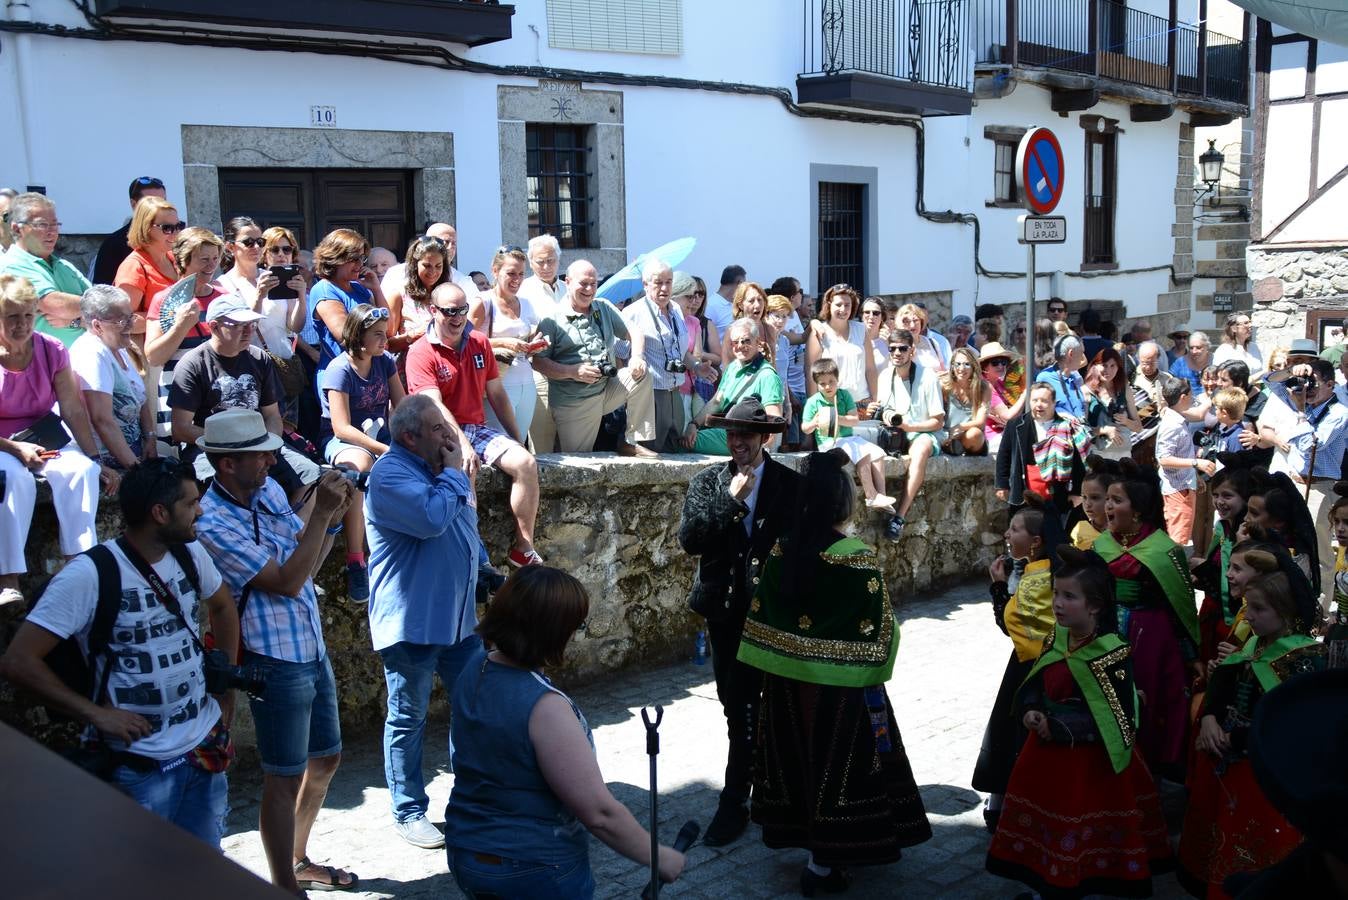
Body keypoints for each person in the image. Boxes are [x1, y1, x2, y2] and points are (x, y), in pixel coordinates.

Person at [0, 457, 240, 846]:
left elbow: (223, 607)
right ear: (160, 513)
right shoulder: (89, 575)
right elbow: (18, 661)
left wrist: (224, 684)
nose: (201, 509)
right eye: (191, 503)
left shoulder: (188, 553)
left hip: (201, 750)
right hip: (137, 766)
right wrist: (97, 715)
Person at [736, 450, 931, 893]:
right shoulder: (856, 559)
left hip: (787, 686)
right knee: (836, 767)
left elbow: (762, 613)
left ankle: (809, 845)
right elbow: (882, 630)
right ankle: (826, 862)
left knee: (798, 758)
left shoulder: (783, 549)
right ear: (844, 504)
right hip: (841, 694)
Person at [193, 409, 360, 894]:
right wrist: (325, 513)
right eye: (259, 453)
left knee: (325, 760)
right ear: (227, 464)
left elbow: (303, 568)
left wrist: (327, 524)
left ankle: (298, 858)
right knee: (283, 778)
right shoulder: (212, 523)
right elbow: (286, 582)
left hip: (309, 643)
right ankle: (285, 885)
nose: (271, 459)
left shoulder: (265, 491)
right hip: (271, 657)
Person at [442, 565, 686, 897]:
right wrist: (659, 856)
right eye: (575, 625)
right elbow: (599, 814)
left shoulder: (475, 667)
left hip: (467, 852)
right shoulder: (545, 708)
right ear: (553, 632)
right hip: (532, 869)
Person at [985, 547, 1171, 898]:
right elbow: (1035, 684)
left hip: (1089, 767)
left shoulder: (1111, 652)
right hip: (1043, 759)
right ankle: (1046, 886)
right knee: (1047, 830)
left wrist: (1059, 726)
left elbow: (1118, 715)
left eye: (1069, 596)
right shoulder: (1056, 639)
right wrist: (1030, 710)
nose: (1057, 603)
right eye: (1056, 593)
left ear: (1095, 606)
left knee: (1079, 827)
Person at [677, 396, 800, 847]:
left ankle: (749, 794)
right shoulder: (710, 481)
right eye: (731, 435)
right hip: (726, 612)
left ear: (763, 438)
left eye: (746, 435)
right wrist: (731, 503)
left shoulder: (789, 484)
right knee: (736, 703)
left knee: (773, 702)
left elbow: (804, 545)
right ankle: (738, 798)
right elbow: (690, 540)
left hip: (775, 613)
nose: (737, 443)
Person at [364, 395, 485, 849]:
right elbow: (433, 519)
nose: (449, 435)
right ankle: (409, 811)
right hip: (412, 623)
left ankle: (470, 802)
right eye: (438, 429)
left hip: (458, 623)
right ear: (410, 437)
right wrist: (456, 476)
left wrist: (483, 565)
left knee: (473, 708)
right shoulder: (390, 474)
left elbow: (462, 526)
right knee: (408, 718)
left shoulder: (440, 472)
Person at [1178, 564, 1326, 898]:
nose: (1250, 617)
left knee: (1253, 841)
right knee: (1220, 831)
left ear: (1286, 612)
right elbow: (1222, 685)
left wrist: (1235, 738)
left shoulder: (1302, 658)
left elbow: (1291, 727)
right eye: (1248, 608)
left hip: (1260, 771)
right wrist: (1210, 719)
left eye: (1258, 609)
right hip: (1226, 762)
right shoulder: (1253, 646)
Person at [0, 274, 117, 611]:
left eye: (26, 315)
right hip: (3, 446)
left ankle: (79, 569)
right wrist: (15, 449)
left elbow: (72, 409)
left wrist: (95, 458)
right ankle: (8, 579)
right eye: (11, 317)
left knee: (80, 471)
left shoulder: (51, 349)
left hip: (42, 437)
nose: (21, 324)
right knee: (14, 478)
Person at [406, 282, 543, 568]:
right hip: (436, 431)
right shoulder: (420, 352)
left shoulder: (479, 342)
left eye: (463, 310)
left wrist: (516, 437)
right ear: (433, 311)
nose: (457, 317)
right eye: (450, 311)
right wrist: (463, 446)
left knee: (526, 463)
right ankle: (474, 551)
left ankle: (524, 548)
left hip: (475, 427)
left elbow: (497, 394)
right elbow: (434, 408)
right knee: (465, 468)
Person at [1093, 459, 1199, 779]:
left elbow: (1180, 604)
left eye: (1116, 500)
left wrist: (1189, 654)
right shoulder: (1100, 545)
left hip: (1151, 641)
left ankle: (1143, 774)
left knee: (1149, 707)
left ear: (1137, 509)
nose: (1107, 506)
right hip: (1106, 636)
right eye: (1107, 499)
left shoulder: (1164, 550)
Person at [168, 293, 320, 502]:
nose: (250, 331)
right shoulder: (193, 364)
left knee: (311, 475)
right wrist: (232, 445)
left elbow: (272, 415)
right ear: (214, 327)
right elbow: (181, 428)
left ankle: (289, 532)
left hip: (258, 443)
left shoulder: (259, 358)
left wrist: (269, 444)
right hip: (210, 447)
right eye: (240, 325)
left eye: (252, 323)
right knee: (229, 479)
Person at [972, 497, 1063, 832]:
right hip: (1036, 664)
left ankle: (1005, 807)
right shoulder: (1039, 570)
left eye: (1015, 529)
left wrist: (997, 587)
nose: (1007, 534)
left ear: (1036, 542)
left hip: (1031, 668)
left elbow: (1009, 624)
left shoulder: (1041, 579)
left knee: (1013, 733)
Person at [320, 303, 405, 603]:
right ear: (359, 336)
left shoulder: (385, 362)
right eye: (378, 335)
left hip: (380, 435)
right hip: (342, 441)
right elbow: (341, 427)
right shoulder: (340, 369)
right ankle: (356, 559)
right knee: (360, 466)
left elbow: (402, 406)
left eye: (385, 334)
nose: (385, 340)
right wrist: (386, 449)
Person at [531, 260, 656, 457]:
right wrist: (572, 371)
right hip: (574, 402)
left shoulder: (603, 306)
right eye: (583, 284)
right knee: (578, 461)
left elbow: (635, 331)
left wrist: (637, 357)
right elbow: (537, 361)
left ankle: (630, 441)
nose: (589, 289)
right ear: (568, 282)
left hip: (607, 388)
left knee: (641, 374)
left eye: (593, 284)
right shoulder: (551, 318)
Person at [1265, 357, 1347, 616]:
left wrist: (1300, 413)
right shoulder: (1304, 403)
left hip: (1321, 487)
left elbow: (1313, 444)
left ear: (1331, 385)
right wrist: (1293, 373)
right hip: (1295, 482)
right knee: (1294, 545)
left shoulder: (1339, 413)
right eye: (1306, 383)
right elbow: (1272, 383)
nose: (1308, 389)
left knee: (1318, 550)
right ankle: (1296, 602)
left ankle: (1319, 611)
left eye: (1314, 384)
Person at [144, 227, 227, 445]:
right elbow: (154, 356)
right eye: (203, 259)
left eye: (215, 258)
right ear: (183, 260)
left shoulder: (225, 298)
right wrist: (181, 326)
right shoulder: (163, 299)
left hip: (218, 396)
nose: (211, 265)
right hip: (179, 394)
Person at [216, 218, 307, 410]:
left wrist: (301, 297)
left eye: (260, 242)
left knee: (288, 433)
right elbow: (242, 330)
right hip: (249, 369)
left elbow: (294, 326)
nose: (256, 247)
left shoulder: (272, 277)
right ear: (231, 247)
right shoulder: (224, 285)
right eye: (249, 242)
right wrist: (258, 297)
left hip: (282, 366)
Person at [868, 329, 946, 540]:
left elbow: (938, 421)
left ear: (912, 351)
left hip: (923, 432)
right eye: (892, 348)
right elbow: (884, 412)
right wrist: (875, 412)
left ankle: (899, 517)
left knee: (920, 450)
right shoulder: (885, 376)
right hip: (895, 433)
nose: (897, 353)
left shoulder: (927, 375)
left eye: (903, 348)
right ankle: (879, 501)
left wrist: (911, 427)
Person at [69, 285, 155, 470]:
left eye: (130, 316)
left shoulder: (117, 346)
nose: (131, 324)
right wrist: (136, 470)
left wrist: (150, 437)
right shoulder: (91, 354)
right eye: (121, 320)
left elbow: (141, 398)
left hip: (134, 448)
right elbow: (102, 420)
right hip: (110, 458)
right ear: (97, 325)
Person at [623, 258, 700, 452]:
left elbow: (681, 351)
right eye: (658, 282)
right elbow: (620, 354)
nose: (665, 288)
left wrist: (698, 366)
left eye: (669, 282)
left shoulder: (676, 311)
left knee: (674, 449)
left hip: (675, 392)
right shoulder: (633, 312)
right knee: (650, 451)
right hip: (651, 393)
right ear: (645, 284)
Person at [801, 358, 895, 512]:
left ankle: (882, 496)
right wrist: (815, 422)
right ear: (816, 384)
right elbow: (805, 428)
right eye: (822, 383)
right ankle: (871, 495)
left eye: (831, 382)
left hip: (849, 438)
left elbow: (854, 420)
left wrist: (837, 417)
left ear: (837, 380)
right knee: (863, 455)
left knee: (877, 453)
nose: (828, 386)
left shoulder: (844, 396)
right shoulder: (813, 402)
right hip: (830, 442)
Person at [0, 192, 91, 347]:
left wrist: (77, 320)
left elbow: (105, 304)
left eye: (55, 224)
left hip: (78, 364)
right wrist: (95, 312)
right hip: (41, 367)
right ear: (17, 229)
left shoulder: (64, 266)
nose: (52, 231)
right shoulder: (12, 265)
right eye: (42, 225)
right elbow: (55, 304)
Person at [684, 318, 785, 456]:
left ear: (757, 342)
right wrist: (694, 424)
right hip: (724, 429)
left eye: (746, 341)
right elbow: (716, 402)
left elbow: (773, 418)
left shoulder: (767, 375)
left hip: (744, 438)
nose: (740, 346)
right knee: (685, 436)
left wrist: (757, 454)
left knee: (683, 443)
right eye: (735, 342)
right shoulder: (733, 367)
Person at [469, 245, 541, 440]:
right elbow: (465, 341)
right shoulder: (483, 302)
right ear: (495, 270)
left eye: (521, 274)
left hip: (527, 381)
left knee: (520, 441)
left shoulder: (526, 303)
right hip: (498, 382)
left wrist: (535, 344)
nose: (516, 279)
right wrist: (504, 342)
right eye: (511, 273)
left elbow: (527, 337)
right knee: (500, 443)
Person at [994, 381, 1091, 519]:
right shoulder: (1015, 425)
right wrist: (1002, 484)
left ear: (1053, 403)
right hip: (1024, 491)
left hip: (1056, 494)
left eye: (1044, 401)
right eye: (1035, 400)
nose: (1038, 404)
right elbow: (1004, 454)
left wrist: (1076, 491)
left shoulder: (1066, 427)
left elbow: (1078, 462)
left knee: (1054, 537)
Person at [309, 228, 387, 392]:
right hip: (342, 377)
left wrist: (376, 290)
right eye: (354, 259)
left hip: (369, 371)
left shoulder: (359, 288)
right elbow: (346, 335)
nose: (360, 265)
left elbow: (388, 326)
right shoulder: (324, 289)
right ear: (334, 258)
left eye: (362, 258)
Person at [115, 196, 183, 342]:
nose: (175, 233)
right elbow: (122, 322)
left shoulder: (174, 258)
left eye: (178, 226)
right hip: (150, 354)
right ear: (146, 228)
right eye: (167, 228)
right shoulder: (133, 267)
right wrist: (172, 316)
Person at [1156, 377, 1215, 547]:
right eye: (1190, 394)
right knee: (1179, 543)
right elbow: (1164, 459)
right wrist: (1196, 463)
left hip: (1184, 486)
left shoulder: (1177, 417)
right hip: (1177, 491)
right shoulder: (1172, 424)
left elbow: (1180, 452)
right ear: (1183, 397)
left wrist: (1194, 475)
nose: (1192, 397)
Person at [91, 176, 167, 287]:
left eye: (163, 201)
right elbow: (101, 294)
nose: (160, 208)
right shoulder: (113, 245)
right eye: (151, 202)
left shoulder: (176, 238)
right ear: (134, 204)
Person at [806, 284, 875, 405]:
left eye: (847, 305)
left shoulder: (861, 330)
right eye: (838, 305)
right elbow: (811, 374)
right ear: (829, 304)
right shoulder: (819, 333)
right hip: (831, 403)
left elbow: (870, 369)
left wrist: (875, 398)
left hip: (862, 402)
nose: (843, 309)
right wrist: (814, 406)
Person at [384, 235, 449, 357]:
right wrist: (414, 335)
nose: (433, 272)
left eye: (438, 266)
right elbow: (386, 344)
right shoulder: (398, 296)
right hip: (410, 367)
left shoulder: (449, 294)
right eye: (427, 266)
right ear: (415, 264)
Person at [379, 223, 475, 297]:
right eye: (445, 242)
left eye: (454, 243)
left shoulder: (463, 282)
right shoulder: (396, 274)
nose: (450, 247)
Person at [1083, 346, 1143, 458]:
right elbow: (1082, 431)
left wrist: (1126, 421)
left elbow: (1138, 427)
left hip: (1123, 456)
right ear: (1095, 366)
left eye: (1112, 366)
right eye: (1104, 365)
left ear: (1118, 368)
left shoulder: (1124, 389)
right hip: (1098, 455)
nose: (1108, 371)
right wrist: (1104, 430)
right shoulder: (1086, 391)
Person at [940, 346, 988, 455]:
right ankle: (954, 446)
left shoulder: (984, 387)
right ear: (952, 366)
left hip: (970, 435)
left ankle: (958, 446)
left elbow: (980, 422)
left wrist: (959, 428)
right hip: (947, 435)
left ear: (973, 367)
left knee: (975, 434)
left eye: (967, 364)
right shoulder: (944, 385)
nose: (961, 368)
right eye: (957, 364)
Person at [981, 341, 1024, 454]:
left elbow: (1012, 415)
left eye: (1003, 362)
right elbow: (1009, 416)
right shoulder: (986, 386)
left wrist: (1008, 422)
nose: (1000, 366)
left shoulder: (1000, 383)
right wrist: (1025, 394)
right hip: (991, 437)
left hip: (1005, 432)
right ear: (984, 366)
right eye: (995, 363)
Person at [719, 281, 774, 368]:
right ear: (740, 305)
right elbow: (727, 367)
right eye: (751, 301)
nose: (757, 305)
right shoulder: (731, 331)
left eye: (760, 300)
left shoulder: (769, 328)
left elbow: (772, 364)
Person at [1039, 334, 1088, 420]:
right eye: (1081, 353)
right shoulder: (1045, 378)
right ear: (1071, 354)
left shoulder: (1076, 377)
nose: (1082, 358)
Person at [517, 233, 565, 319]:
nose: (546, 267)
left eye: (550, 261)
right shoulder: (521, 291)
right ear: (531, 263)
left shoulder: (569, 289)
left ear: (558, 260)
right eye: (540, 262)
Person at [897, 302, 949, 375]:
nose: (912, 325)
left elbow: (943, 370)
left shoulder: (932, 343)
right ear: (900, 324)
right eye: (907, 322)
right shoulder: (898, 348)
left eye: (915, 320)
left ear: (921, 321)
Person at [1213, 311, 1264, 380]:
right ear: (1234, 328)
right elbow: (1220, 376)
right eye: (1246, 323)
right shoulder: (1224, 350)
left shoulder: (1254, 347)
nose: (1250, 325)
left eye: (1250, 322)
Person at [705, 264, 743, 341]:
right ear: (739, 283)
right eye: (743, 284)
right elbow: (704, 339)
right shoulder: (711, 306)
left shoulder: (738, 305)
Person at [1171, 330, 1212, 395]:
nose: (1194, 351)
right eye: (1191, 348)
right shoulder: (1180, 363)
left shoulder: (1214, 360)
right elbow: (1170, 382)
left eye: (1198, 348)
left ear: (1207, 347)